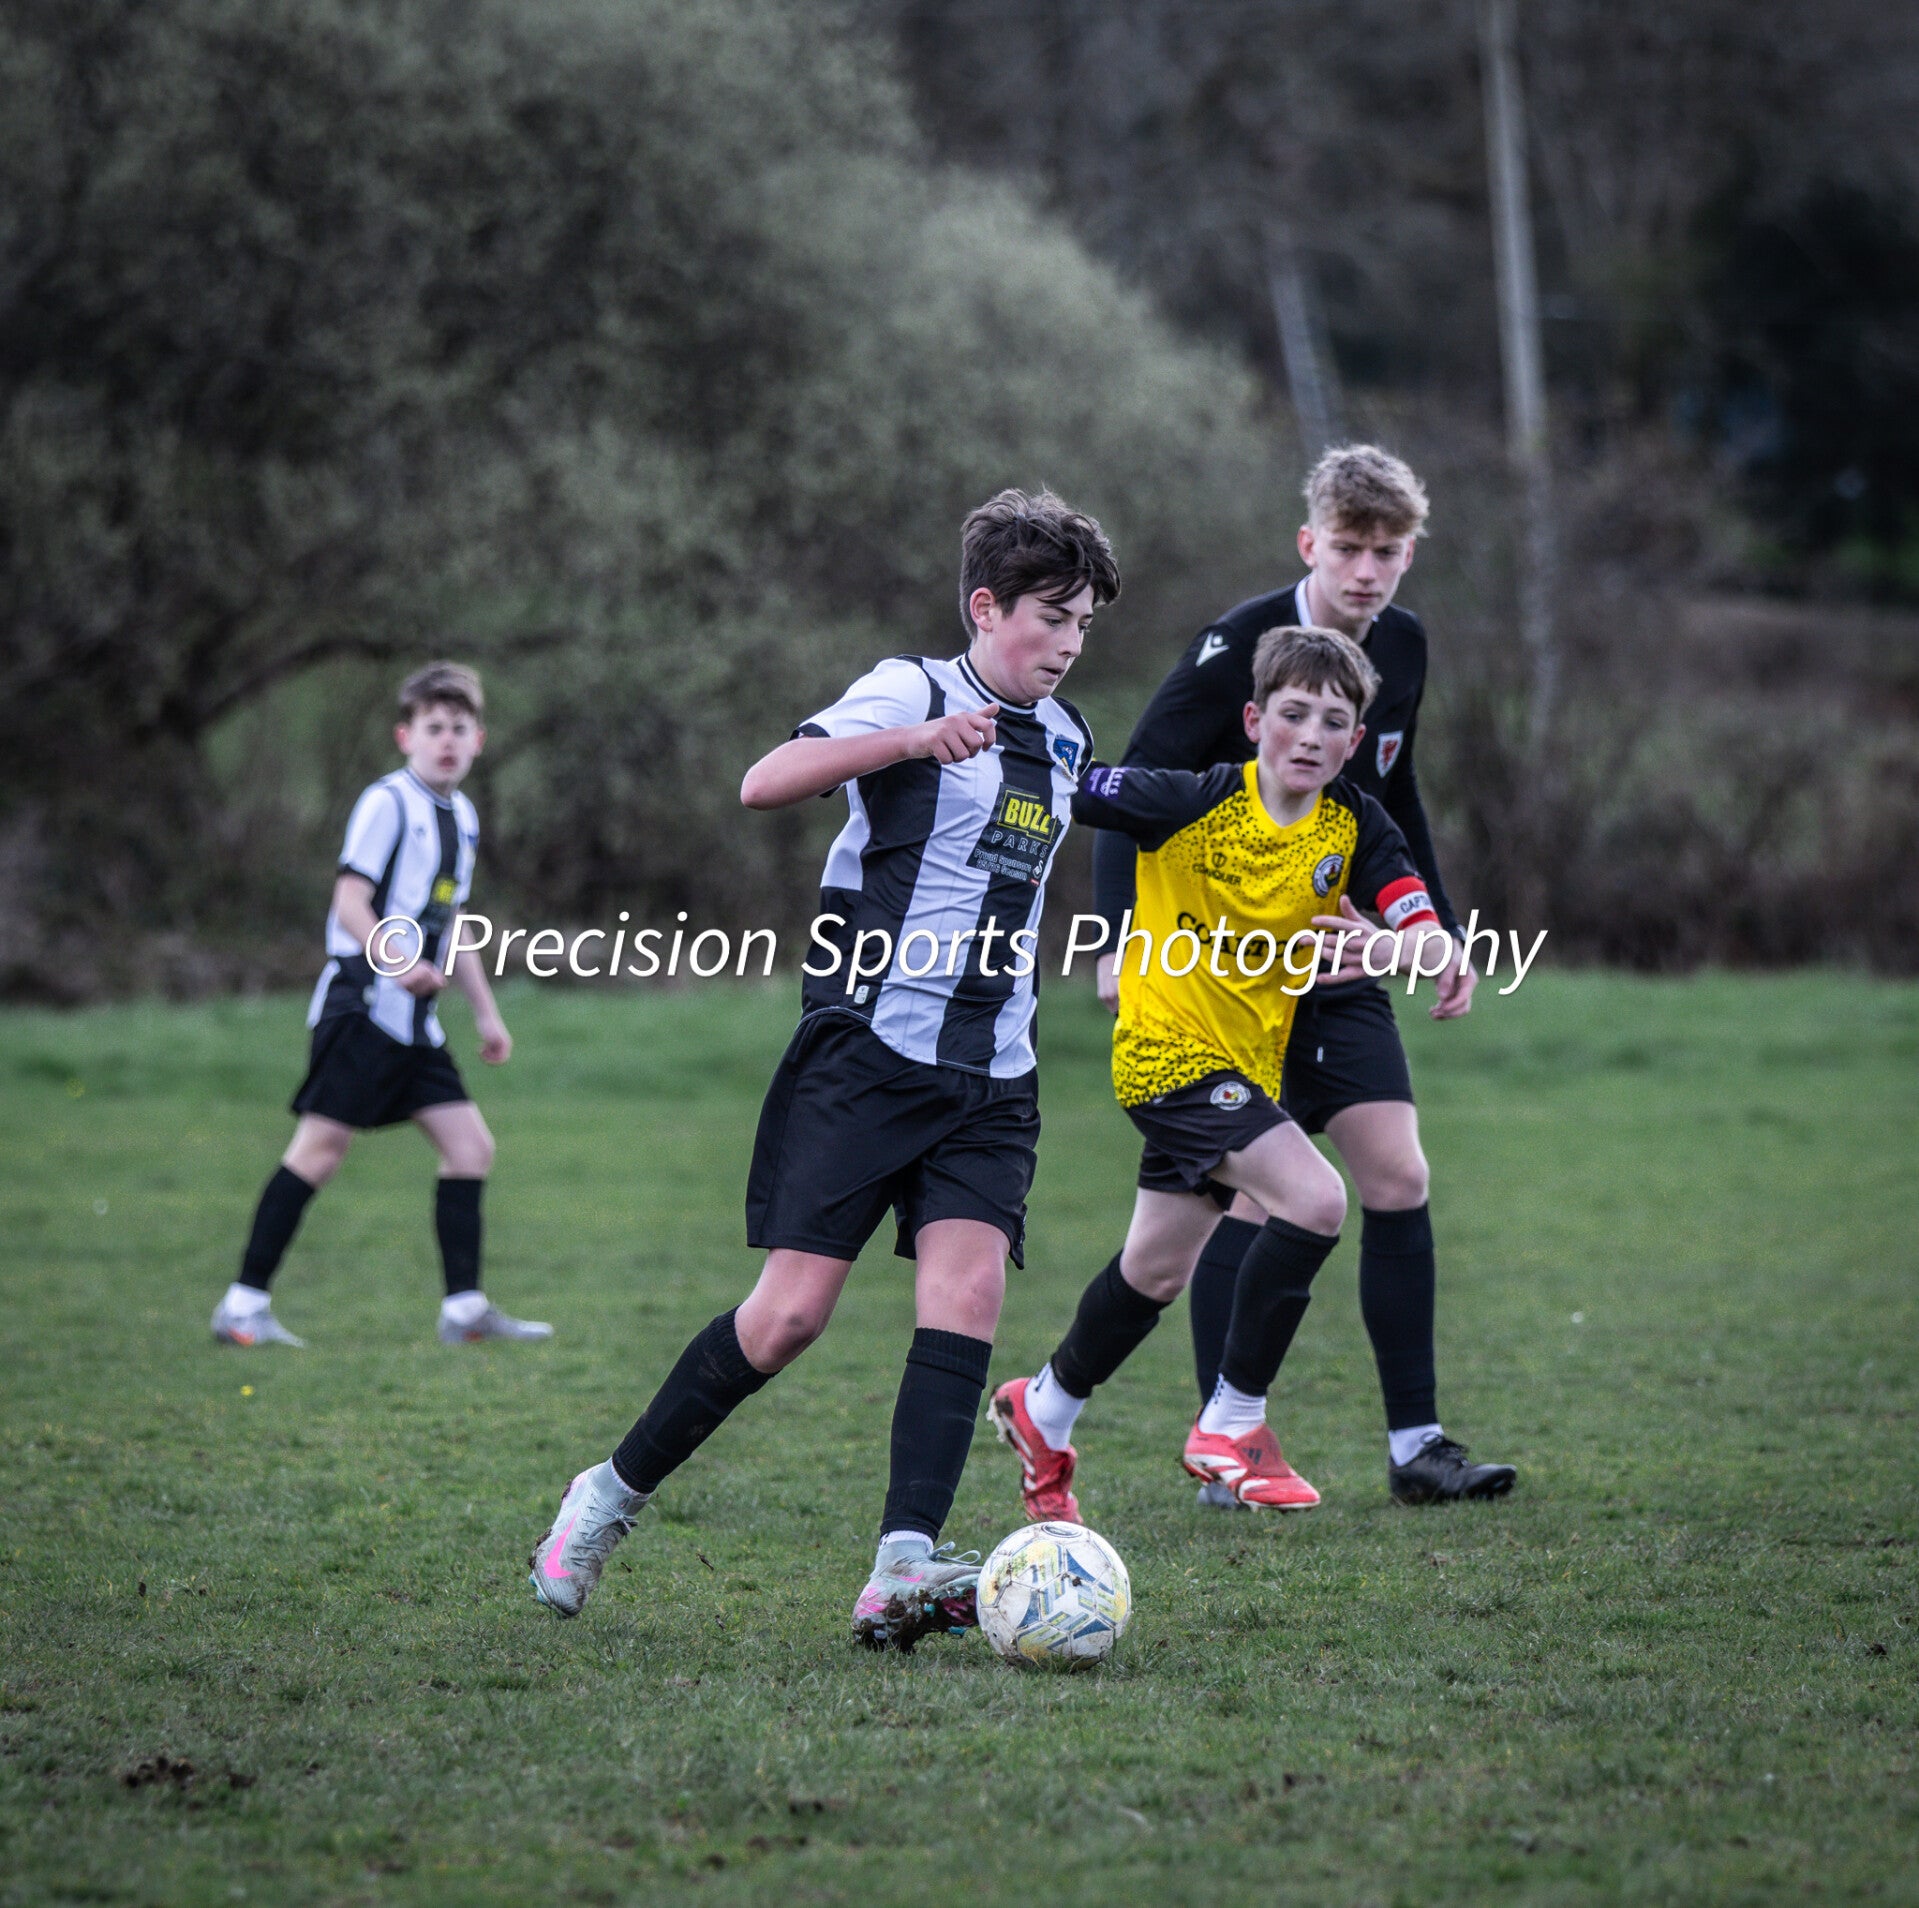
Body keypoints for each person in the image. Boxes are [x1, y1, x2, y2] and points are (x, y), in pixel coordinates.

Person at [526, 488, 1119, 1649]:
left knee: (971, 1293)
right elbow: (762, 784)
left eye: (1085, 624)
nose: (1066, 642)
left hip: (993, 1073)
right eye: (1050, 615)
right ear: (984, 604)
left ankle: (900, 1564)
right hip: (869, 1055)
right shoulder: (912, 690)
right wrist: (904, 745)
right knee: (789, 1317)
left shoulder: (1066, 736)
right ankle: (604, 1496)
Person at [1088, 446, 1515, 1505]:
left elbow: (1392, 802)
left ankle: (1416, 1446)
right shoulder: (1238, 650)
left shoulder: (1399, 648)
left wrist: (1436, 932)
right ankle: (1223, 1449)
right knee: (1251, 1205)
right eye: (1348, 548)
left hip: (1340, 960)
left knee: (1397, 1177)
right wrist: (1112, 938)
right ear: (1307, 542)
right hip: (1231, 978)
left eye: (1387, 552)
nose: (1367, 572)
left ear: (1409, 552)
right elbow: (1132, 792)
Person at [994, 624, 1473, 1512]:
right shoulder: (1191, 797)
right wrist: (968, 735)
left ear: (1355, 742)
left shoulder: (1353, 825)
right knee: (1318, 1198)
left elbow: (1415, 916)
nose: (1310, 736)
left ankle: (1045, 1406)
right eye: (1292, 714)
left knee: (1155, 1270)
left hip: (1244, 1068)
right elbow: (1069, 789)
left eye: (1333, 722)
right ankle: (1231, 1420)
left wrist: (1410, 948)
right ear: (1254, 720)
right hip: (1163, 1055)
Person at [210, 662, 549, 1350]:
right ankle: (241, 1306)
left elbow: (453, 925)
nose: (446, 741)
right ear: (405, 736)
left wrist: (486, 1011)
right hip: (361, 1006)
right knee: (320, 1150)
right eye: (433, 728)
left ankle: (464, 1312)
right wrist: (399, 964)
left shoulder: (463, 816)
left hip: (414, 1023)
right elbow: (350, 903)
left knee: (469, 1146)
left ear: (478, 739)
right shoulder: (387, 803)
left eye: (459, 728)